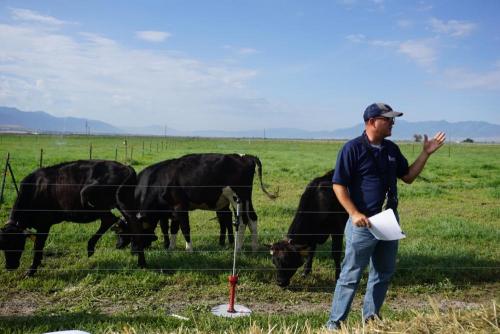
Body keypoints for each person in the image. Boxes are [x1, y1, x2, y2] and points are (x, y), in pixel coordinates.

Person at [325, 103, 446, 330]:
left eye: (393, 119)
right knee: (350, 276)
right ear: (372, 121)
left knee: (383, 273)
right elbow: (338, 185)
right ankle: (335, 324)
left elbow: (408, 176)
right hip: (363, 223)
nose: (393, 123)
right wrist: (354, 213)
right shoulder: (352, 149)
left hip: (389, 221)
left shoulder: (391, 149)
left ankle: (370, 321)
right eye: (388, 119)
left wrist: (425, 154)